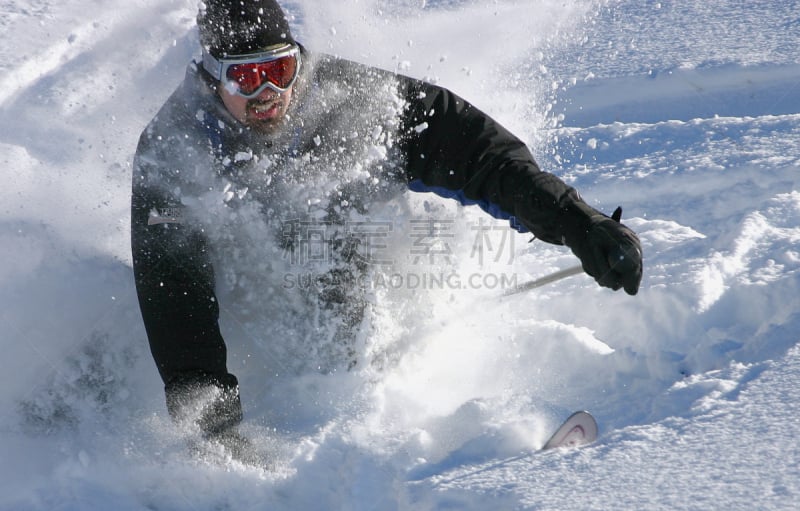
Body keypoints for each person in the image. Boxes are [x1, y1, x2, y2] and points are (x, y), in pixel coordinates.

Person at [131, 0, 642, 460]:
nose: (269, 93)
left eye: (280, 69)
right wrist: (210, 426)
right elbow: (174, 290)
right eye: (247, 78)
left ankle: (391, 427)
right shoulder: (175, 152)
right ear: (211, 78)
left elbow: (483, 158)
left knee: (336, 235)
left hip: (353, 267)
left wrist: (579, 222)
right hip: (243, 288)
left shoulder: (353, 99)